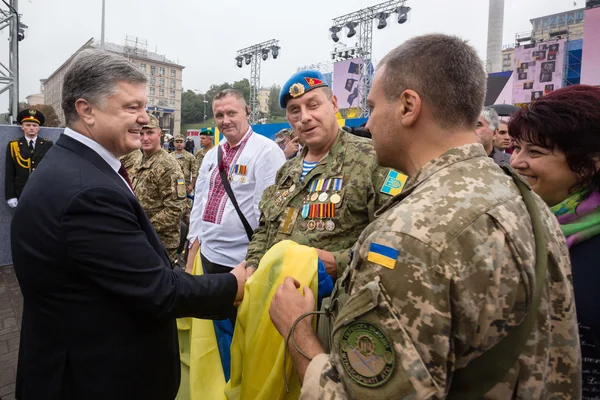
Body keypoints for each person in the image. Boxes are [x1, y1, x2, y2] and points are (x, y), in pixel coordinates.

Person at [269, 34, 581, 399]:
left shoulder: (407, 236)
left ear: (408, 106)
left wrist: (297, 330)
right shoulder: (527, 200)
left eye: (372, 107)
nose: (367, 124)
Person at [10, 49, 246, 400]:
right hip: (97, 378)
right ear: (86, 110)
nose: (144, 118)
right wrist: (232, 284)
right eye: (131, 107)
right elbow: (158, 290)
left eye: (144, 106)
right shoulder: (85, 192)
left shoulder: (75, 166)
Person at [245, 70, 398, 283]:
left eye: (313, 105)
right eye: (295, 111)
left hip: (332, 308)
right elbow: (264, 229)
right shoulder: (287, 171)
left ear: (334, 104)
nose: (305, 117)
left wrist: (338, 263)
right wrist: (252, 265)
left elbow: (395, 245)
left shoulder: (375, 160)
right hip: (274, 299)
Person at [509, 84, 600, 399]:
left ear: (589, 164)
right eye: (516, 148)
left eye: (535, 152)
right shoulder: (516, 223)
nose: (517, 162)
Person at [187, 88, 285, 324]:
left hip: (242, 263)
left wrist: (256, 264)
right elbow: (199, 202)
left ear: (247, 112)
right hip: (209, 256)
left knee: (240, 332)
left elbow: (267, 215)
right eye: (219, 115)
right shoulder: (212, 155)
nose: (225, 120)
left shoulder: (266, 151)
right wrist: (192, 252)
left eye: (232, 112)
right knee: (214, 332)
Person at [133, 114, 187, 265]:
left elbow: (176, 208)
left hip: (159, 242)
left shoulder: (168, 165)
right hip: (142, 239)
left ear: (160, 134)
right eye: (141, 133)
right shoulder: (140, 159)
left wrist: (144, 228)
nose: (145, 138)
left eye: (150, 133)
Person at [4, 109, 53, 208]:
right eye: (28, 125)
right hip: (21, 192)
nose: (31, 128)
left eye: (34, 125)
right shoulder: (14, 145)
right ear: (22, 127)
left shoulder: (48, 144)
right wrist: (11, 196)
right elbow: (10, 172)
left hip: (42, 191)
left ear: (39, 128)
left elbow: (52, 170)